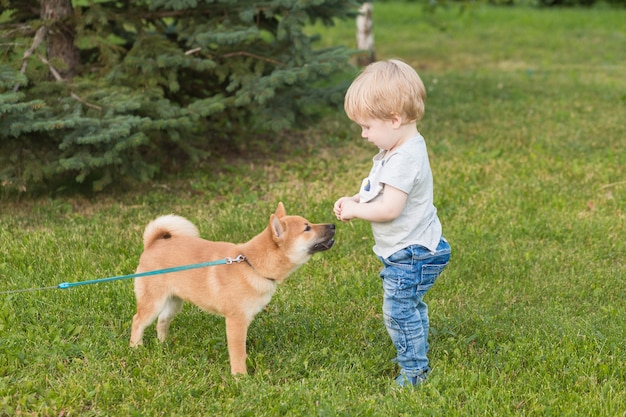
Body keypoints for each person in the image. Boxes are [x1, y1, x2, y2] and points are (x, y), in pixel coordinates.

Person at [333, 59, 451, 387]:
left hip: (411, 253)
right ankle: (417, 349)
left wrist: (357, 212)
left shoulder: (403, 158)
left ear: (394, 119)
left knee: (397, 311)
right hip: (412, 248)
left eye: (367, 126)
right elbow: (378, 193)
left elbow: (389, 209)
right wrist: (356, 201)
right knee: (409, 305)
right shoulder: (398, 147)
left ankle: (414, 372)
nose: (363, 133)